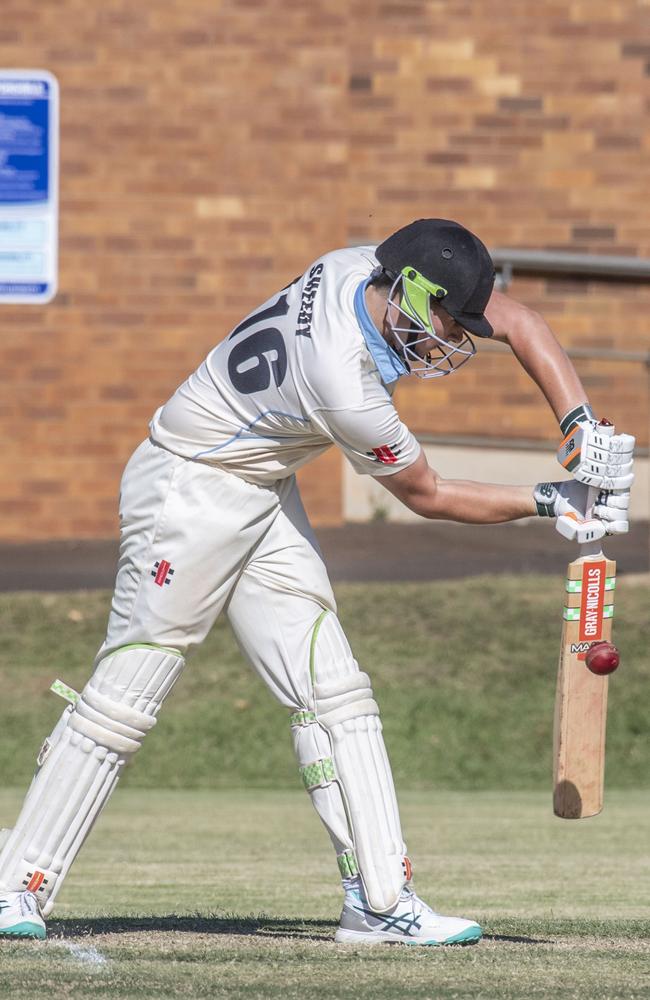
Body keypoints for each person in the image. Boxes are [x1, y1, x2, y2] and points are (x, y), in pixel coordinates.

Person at [0, 219, 634, 945]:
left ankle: (380, 900)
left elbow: (519, 320)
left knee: (334, 691)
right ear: (409, 294)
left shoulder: (364, 266)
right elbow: (426, 494)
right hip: (188, 490)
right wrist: (550, 500)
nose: (449, 342)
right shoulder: (341, 380)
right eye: (444, 324)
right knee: (127, 695)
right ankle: (13, 884)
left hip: (260, 487)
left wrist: (579, 425)